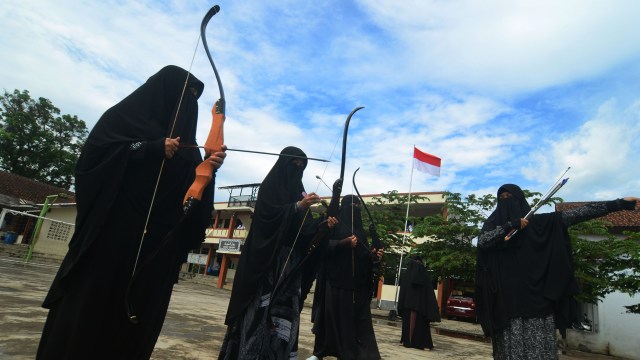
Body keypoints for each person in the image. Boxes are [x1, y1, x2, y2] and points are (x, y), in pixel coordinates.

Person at [36, 65, 227, 359]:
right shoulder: (121, 122)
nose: (187, 105)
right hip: (107, 248)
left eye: (193, 99)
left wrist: (207, 169)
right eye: (183, 95)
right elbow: (92, 161)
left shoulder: (188, 153)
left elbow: (191, 212)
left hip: (153, 263)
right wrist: (148, 148)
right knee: (84, 328)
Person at [475, 184, 638, 359]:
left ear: (521, 199)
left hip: (538, 304)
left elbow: (580, 213)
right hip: (507, 305)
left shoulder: (541, 223)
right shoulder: (496, 227)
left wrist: (620, 203)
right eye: (502, 197)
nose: (506, 200)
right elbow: (483, 241)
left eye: (510, 196)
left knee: (540, 352)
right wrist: (509, 226)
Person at [219, 146, 337, 360]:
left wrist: (323, 224)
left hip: (290, 269)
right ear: (284, 163)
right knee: (259, 312)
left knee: (284, 316)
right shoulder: (270, 187)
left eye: (303, 166)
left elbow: (305, 231)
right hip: (265, 263)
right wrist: (295, 207)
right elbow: (266, 218)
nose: (298, 169)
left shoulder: (299, 191)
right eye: (295, 164)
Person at [308, 195, 383, 360]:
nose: (355, 207)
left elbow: (363, 257)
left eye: (358, 205)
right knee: (329, 319)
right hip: (334, 281)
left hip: (355, 286)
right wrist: (342, 243)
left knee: (352, 323)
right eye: (352, 204)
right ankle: (320, 352)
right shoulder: (335, 223)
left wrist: (373, 256)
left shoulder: (360, 231)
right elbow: (322, 246)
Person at [397, 254, 441, 350]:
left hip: (419, 307)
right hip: (412, 306)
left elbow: (427, 293)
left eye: (419, 263)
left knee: (420, 324)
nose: (417, 265)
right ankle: (406, 340)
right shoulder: (410, 275)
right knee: (409, 323)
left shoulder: (417, 275)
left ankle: (419, 343)